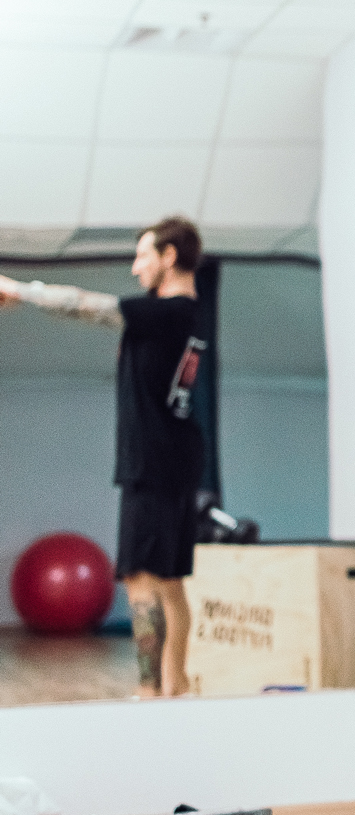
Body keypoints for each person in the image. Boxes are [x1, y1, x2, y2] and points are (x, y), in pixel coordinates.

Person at [0, 218, 207, 698]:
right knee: (170, 582)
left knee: (141, 581)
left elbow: (84, 305)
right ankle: (177, 687)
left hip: (153, 465)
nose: (136, 268)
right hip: (174, 462)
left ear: (169, 256)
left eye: (143, 256)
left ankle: (151, 691)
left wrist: (20, 291)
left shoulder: (168, 312)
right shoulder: (188, 315)